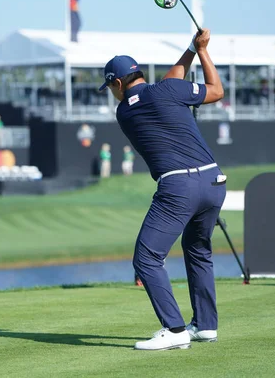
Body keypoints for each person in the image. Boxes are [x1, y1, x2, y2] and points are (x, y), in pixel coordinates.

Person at [99, 29, 226, 351]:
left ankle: (175, 328)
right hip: (214, 181)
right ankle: (206, 326)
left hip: (179, 186)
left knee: (146, 257)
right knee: (198, 251)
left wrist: (191, 50)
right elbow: (216, 90)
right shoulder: (168, 90)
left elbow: (165, 84)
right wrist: (201, 51)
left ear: (117, 84)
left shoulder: (125, 111)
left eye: (110, 87)